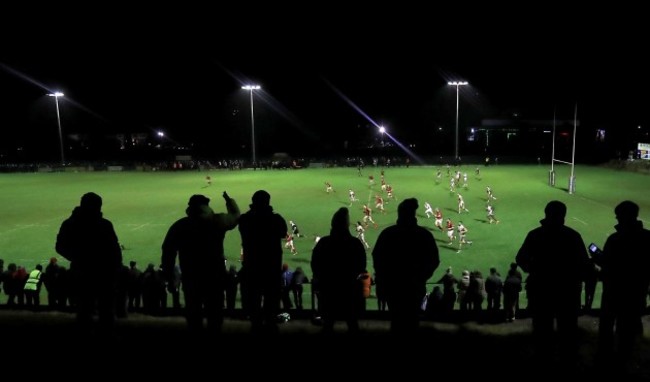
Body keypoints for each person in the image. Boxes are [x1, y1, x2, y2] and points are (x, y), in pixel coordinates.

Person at [515, 200, 590, 364]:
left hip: (541, 289)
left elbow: (520, 258)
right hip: (567, 291)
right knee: (568, 329)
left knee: (542, 328)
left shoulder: (535, 234)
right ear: (563, 215)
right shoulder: (573, 236)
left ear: (546, 213)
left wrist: (533, 270)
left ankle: (543, 360)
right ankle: (568, 361)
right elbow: (584, 264)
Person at [161, 192, 240, 335]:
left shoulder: (180, 225)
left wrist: (169, 276)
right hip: (215, 276)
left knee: (193, 314)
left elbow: (168, 252)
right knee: (215, 313)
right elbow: (235, 216)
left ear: (190, 207)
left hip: (191, 276)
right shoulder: (217, 221)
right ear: (207, 206)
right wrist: (229, 201)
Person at [55, 192, 123, 335]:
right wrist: (116, 270)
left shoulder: (69, 224)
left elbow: (60, 246)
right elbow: (115, 250)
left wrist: (76, 258)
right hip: (103, 274)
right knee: (105, 311)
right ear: (98, 207)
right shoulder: (105, 224)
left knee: (84, 309)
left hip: (82, 273)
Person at [372, 198, 440, 333]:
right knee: (413, 321)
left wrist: (384, 280)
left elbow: (377, 259)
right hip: (415, 287)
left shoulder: (388, 234)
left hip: (393, 287)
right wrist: (422, 277)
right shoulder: (424, 234)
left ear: (399, 213)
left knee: (396, 321)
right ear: (414, 214)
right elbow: (434, 260)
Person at [597, 201, 650, 365]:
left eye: (618, 216)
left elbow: (607, 264)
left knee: (608, 326)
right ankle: (624, 359)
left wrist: (599, 260)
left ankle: (608, 360)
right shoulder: (648, 237)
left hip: (614, 292)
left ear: (624, 217)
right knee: (628, 328)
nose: (617, 219)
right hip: (637, 292)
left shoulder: (615, 239)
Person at [238, 190, 288, 334]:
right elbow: (283, 233)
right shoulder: (275, 219)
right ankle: (271, 325)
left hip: (251, 266)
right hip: (271, 267)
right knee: (271, 300)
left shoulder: (245, 219)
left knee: (253, 299)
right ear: (267, 202)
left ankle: (256, 325)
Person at [311, 207, 367, 333]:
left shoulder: (323, 243)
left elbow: (315, 265)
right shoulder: (355, 243)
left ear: (332, 224)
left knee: (328, 324)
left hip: (328, 290)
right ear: (347, 224)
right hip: (350, 290)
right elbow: (361, 266)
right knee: (352, 324)